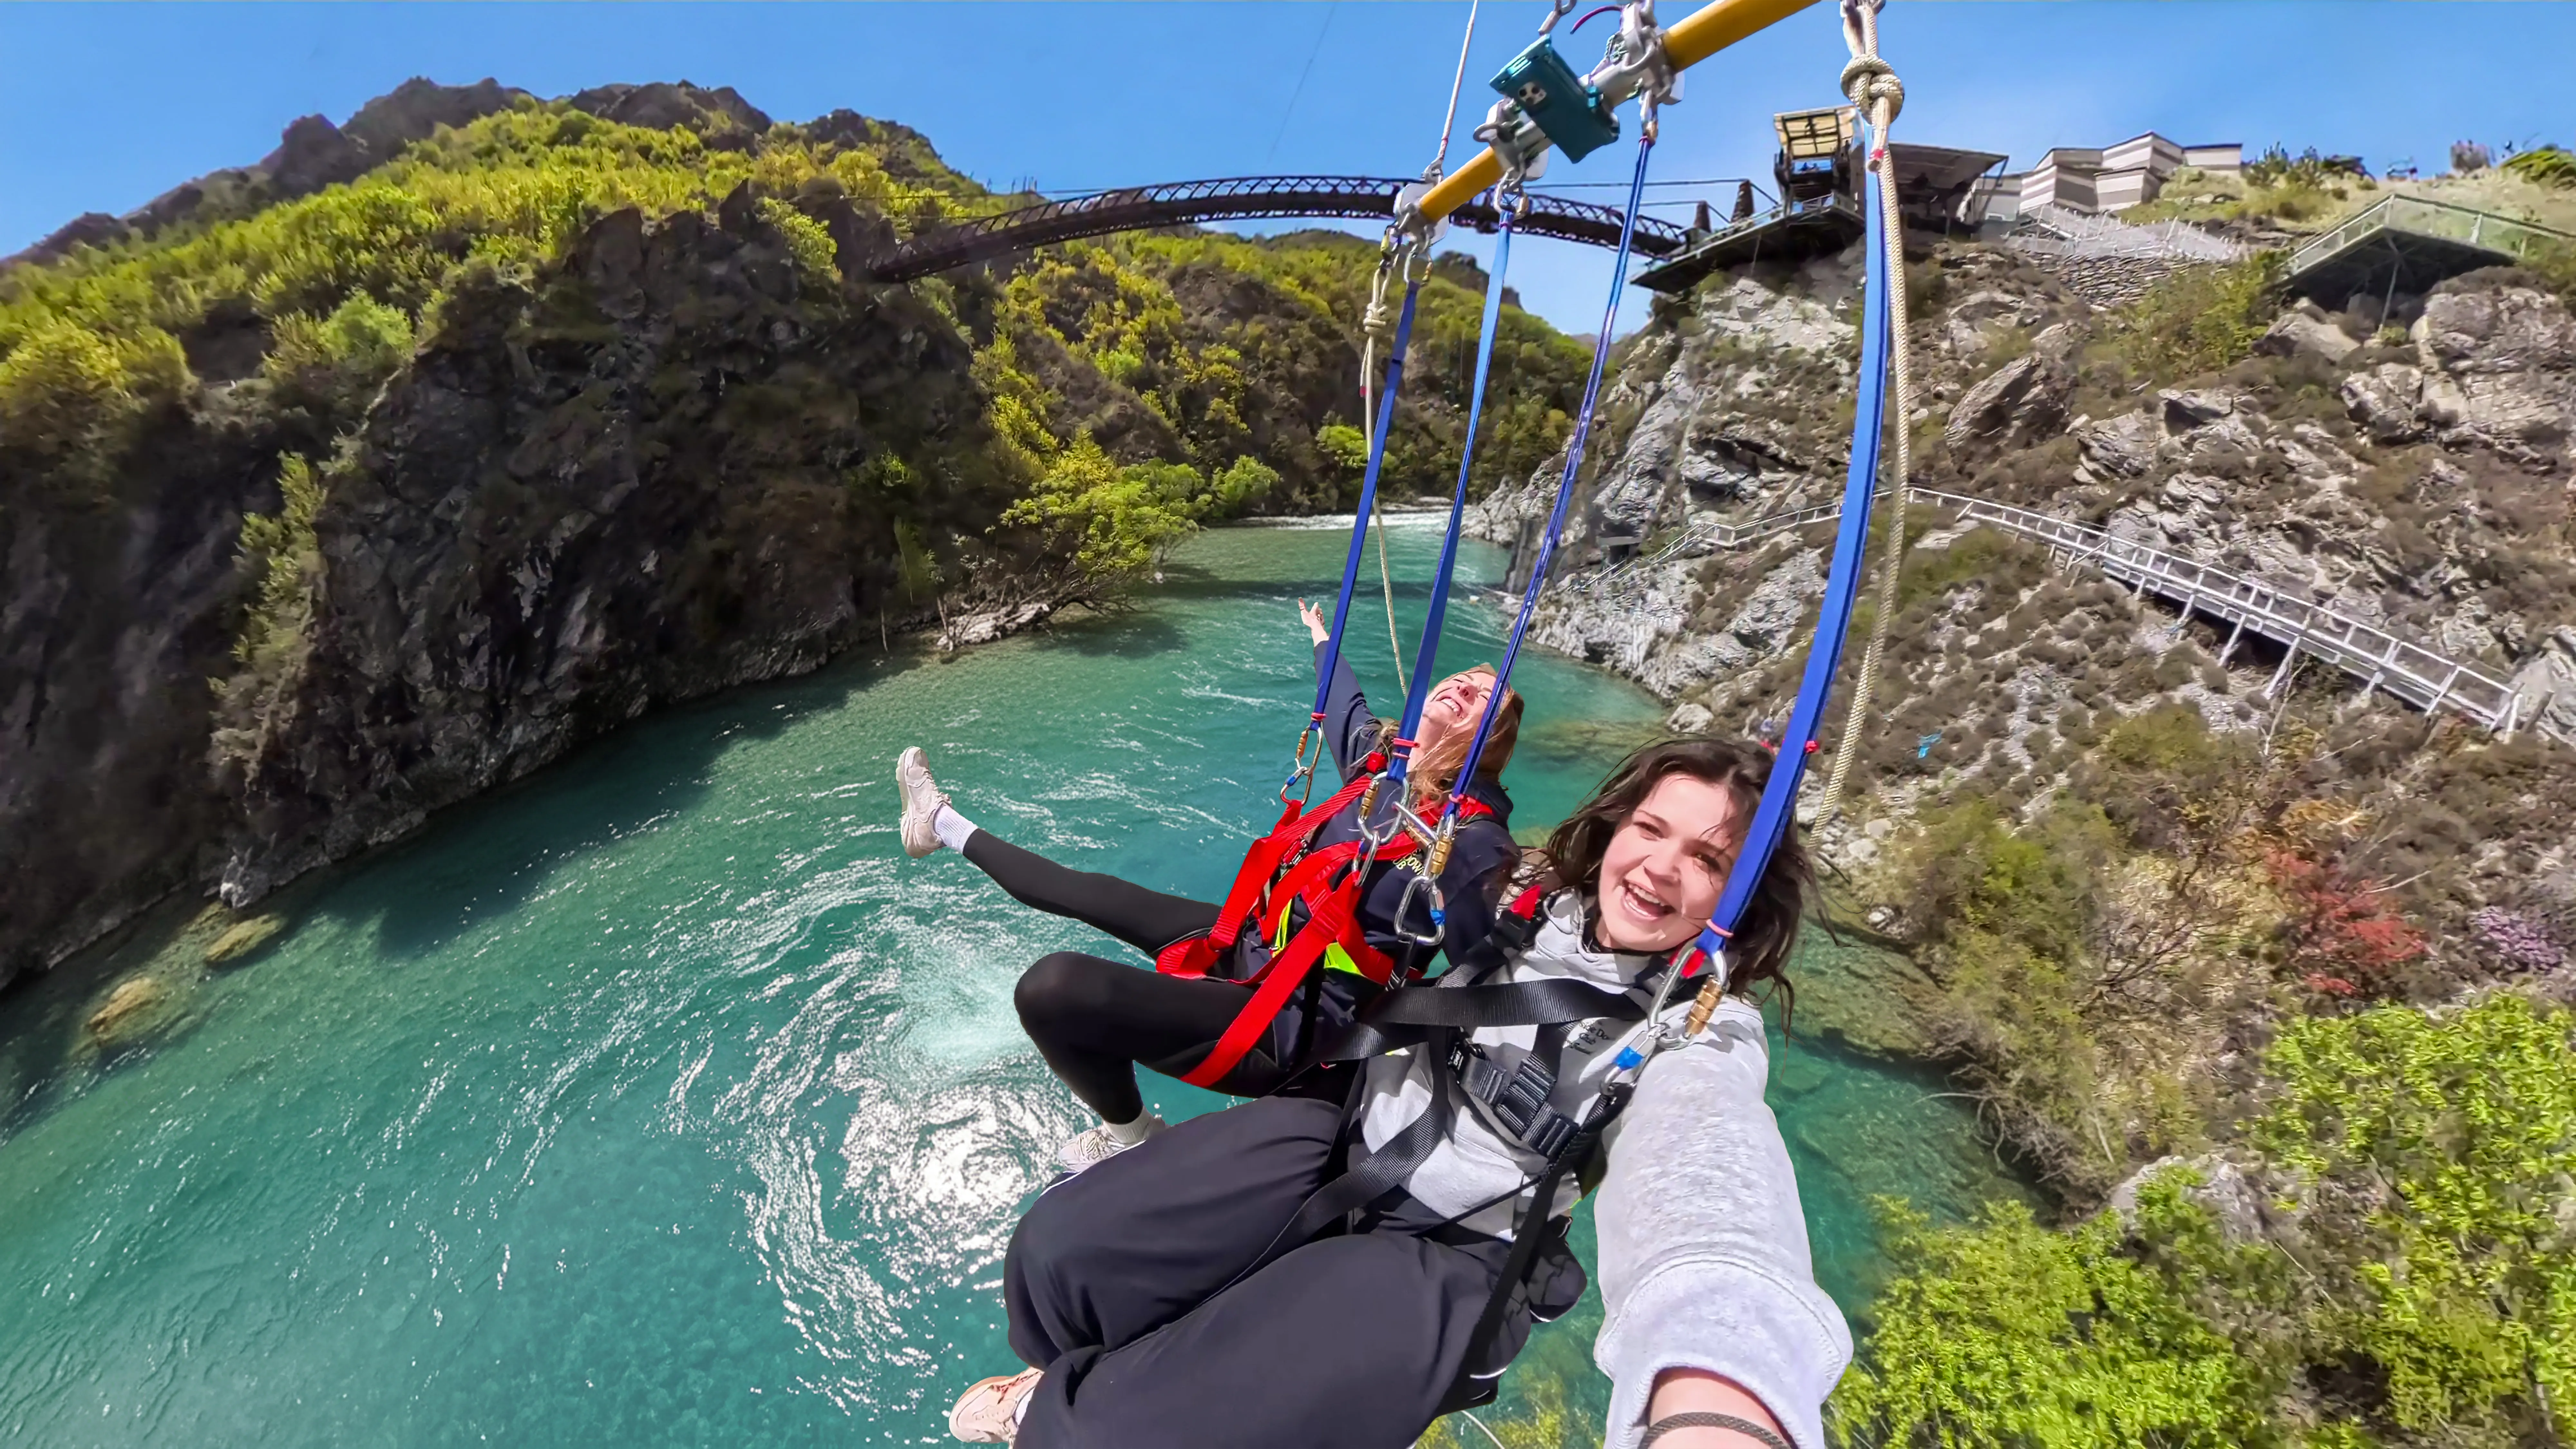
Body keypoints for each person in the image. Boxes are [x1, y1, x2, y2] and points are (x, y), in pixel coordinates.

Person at [943, 737, 1851, 1449]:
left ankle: (1069, 1419)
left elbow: (1710, 1171)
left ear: (1741, 899)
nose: (1659, 867)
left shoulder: (1701, 1029)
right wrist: (1434, 740)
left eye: (1709, 859)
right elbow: (1421, 784)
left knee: (1145, 1432)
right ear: (1616, 828)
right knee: (1062, 1252)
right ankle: (1066, 1377)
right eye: (1651, 829)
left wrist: (1722, 1386)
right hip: (1349, 1141)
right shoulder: (1527, 898)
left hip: (1460, 1252)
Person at [895, 600, 1525, 1172]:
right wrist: (1322, 639)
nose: (1464, 687)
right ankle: (939, 825)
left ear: (1491, 743)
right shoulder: (1381, 766)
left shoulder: (1473, 842)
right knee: (1091, 891)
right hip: (1257, 949)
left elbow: (1489, 979)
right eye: (1460, 680)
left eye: (1482, 698)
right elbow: (1343, 702)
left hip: (1296, 1026)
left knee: (1053, 988)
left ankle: (1128, 1136)